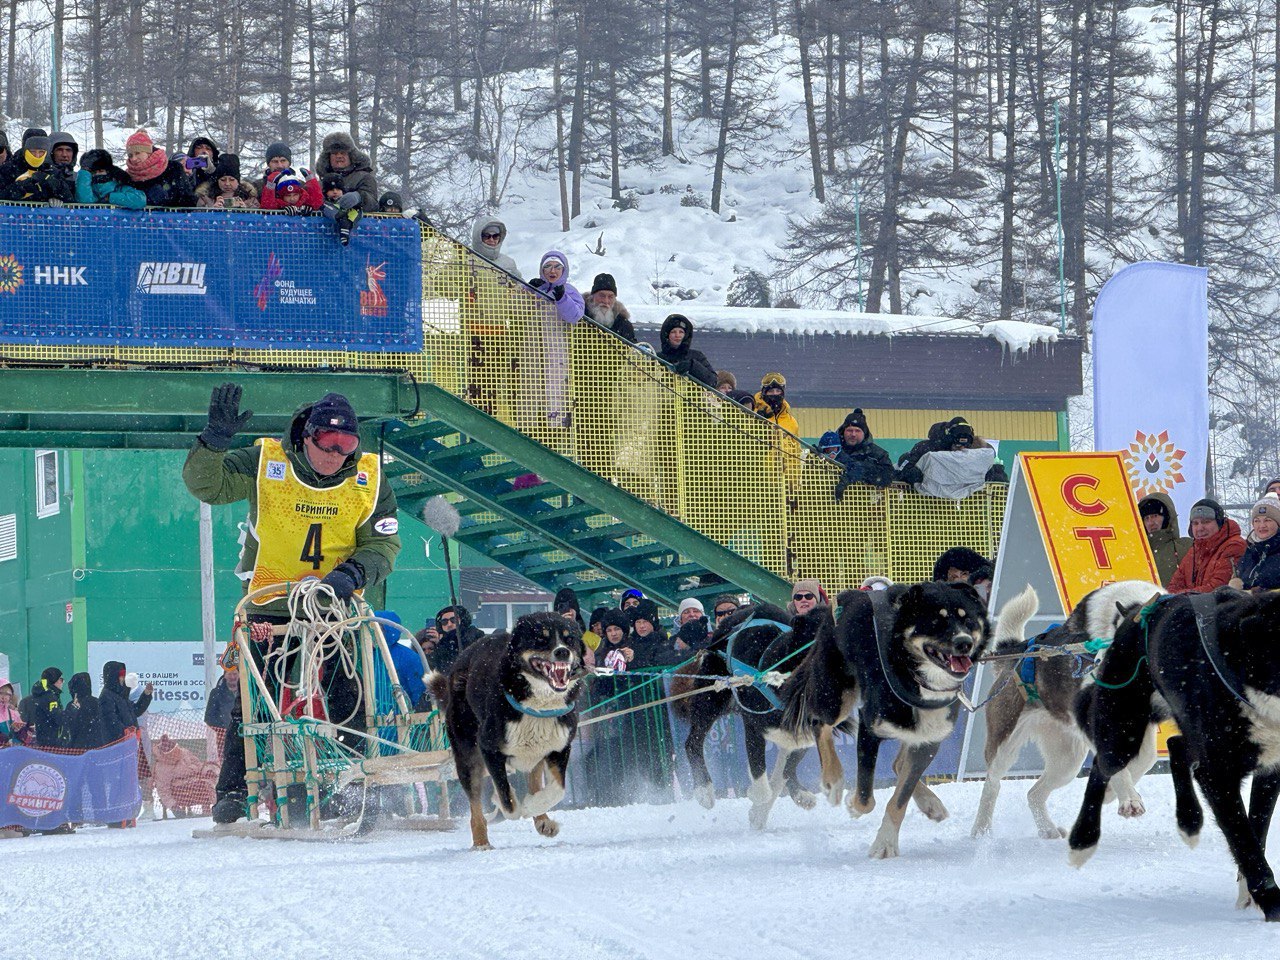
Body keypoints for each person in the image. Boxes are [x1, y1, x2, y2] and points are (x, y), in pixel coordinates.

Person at [183, 383, 402, 822]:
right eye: (328, 442)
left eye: (347, 445)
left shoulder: (369, 480)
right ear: (307, 436)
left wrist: (354, 573)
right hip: (269, 601)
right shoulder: (267, 461)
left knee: (349, 694)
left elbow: (384, 544)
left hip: (333, 608)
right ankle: (233, 791)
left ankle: (351, 785)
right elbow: (206, 485)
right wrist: (213, 442)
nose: (335, 454)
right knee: (255, 698)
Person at [897, 416, 1008, 488]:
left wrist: (991, 474)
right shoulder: (927, 448)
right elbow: (905, 471)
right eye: (958, 444)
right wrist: (925, 476)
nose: (961, 449)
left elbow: (998, 479)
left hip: (964, 512)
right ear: (949, 439)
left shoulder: (977, 453)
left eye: (965, 445)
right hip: (924, 506)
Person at [1167, 497, 1246, 594]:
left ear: (1219, 523)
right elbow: (1174, 585)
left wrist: (1180, 597)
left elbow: (1218, 588)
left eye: (1206, 522)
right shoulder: (1194, 550)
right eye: (1195, 523)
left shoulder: (1234, 546)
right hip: (1193, 606)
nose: (1200, 528)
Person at [123, 129, 196, 207]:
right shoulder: (128, 177)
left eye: (138, 153)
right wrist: (148, 199)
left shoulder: (173, 168)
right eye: (130, 155)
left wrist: (168, 198)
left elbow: (189, 202)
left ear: (148, 152)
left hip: (171, 218)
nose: (133, 158)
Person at [833, 408, 895, 499]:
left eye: (857, 431)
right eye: (850, 430)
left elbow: (888, 476)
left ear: (864, 434)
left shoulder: (877, 454)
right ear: (843, 432)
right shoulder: (832, 449)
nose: (853, 434)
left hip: (865, 505)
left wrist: (863, 470)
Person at [374, 610, 427, 710]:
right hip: (369, 716)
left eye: (377, 628)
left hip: (400, 718)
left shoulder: (408, 657)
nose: (373, 632)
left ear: (389, 629)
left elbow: (419, 692)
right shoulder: (363, 654)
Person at [315, 131, 379, 212]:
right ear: (328, 157)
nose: (339, 156)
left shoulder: (364, 177)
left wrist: (359, 197)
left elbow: (373, 204)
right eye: (334, 153)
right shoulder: (321, 182)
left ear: (351, 156)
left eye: (343, 153)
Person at [0, 134, 72, 204]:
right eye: (32, 152)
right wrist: (21, 187)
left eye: (41, 152)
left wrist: (52, 185)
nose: (37, 155)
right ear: (25, 151)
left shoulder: (52, 171)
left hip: (44, 214)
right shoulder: (8, 169)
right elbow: (2, 195)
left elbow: (69, 198)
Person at [1138, 493, 1191, 587]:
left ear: (1167, 517)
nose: (1151, 522)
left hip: (1180, 600)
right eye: (1146, 518)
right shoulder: (1138, 552)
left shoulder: (1185, 547)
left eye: (1155, 516)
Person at [1231, 495, 1280, 592]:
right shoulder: (1250, 550)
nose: (1262, 525)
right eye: (1257, 521)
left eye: (1268, 520)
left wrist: (1255, 594)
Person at [657, 314, 717, 388]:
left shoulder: (696, 356)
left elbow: (713, 381)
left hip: (691, 399)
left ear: (686, 335)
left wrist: (693, 366)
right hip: (662, 398)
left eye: (681, 332)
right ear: (667, 335)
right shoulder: (657, 358)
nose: (677, 335)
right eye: (673, 332)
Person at [100, 661, 153, 744]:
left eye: (123, 675)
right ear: (113, 676)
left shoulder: (121, 695)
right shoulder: (106, 696)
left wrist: (146, 694)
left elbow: (136, 711)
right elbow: (110, 719)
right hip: (117, 743)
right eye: (121, 675)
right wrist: (125, 731)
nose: (123, 678)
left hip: (129, 742)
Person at [76, 149, 146, 209]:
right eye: (93, 172)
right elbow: (85, 201)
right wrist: (84, 171)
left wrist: (110, 197)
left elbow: (140, 200)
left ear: (108, 171)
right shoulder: (89, 189)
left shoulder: (118, 187)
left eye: (101, 171)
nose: (97, 174)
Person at [426, 604, 484, 674]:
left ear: (462, 620)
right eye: (444, 622)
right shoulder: (442, 643)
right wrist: (439, 644)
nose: (449, 624)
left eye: (453, 620)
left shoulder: (474, 635)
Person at [584, 273, 637, 343]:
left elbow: (632, 349)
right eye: (602, 296)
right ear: (593, 296)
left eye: (610, 297)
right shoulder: (580, 317)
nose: (606, 301)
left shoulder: (623, 324)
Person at [61, 673, 107, 751]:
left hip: (78, 748)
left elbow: (69, 726)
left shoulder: (72, 705)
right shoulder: (97, 702)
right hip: (98, 746)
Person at [23, 668, 66, 747]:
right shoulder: (50, 697)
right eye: (61, 679)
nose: (63, 682)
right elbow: (58, 718)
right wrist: (72, 711)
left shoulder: (41, 695)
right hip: (50, 742)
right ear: (54, 680)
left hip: (42, 740)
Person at [0, 676, 32, 747]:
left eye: (7, 694)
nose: (3, 697)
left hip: (15, 752)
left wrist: (20, 730)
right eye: (1, 693)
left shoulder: (14, 714)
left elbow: (26, 739)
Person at [47, 131, 78, 200]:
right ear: (51, 153)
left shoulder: (79, 179)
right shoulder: (43, 177)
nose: (64, 155)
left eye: (68, 150)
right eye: (59, 150)